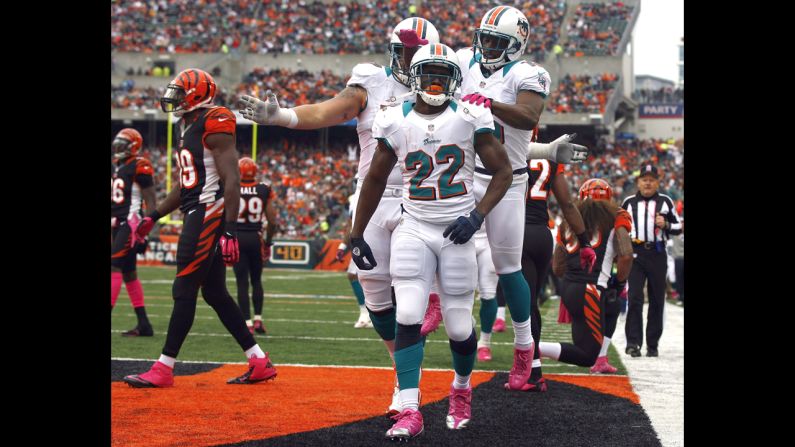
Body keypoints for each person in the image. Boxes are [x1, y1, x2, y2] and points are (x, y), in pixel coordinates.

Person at [238, 17, 443, 415]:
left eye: (414, 51)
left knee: (411, 302)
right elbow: (329, 111)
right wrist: (283, 117)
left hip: (419, 200)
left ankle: (409, 390)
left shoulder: (441, 82)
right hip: (371, 198)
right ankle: (402, 377)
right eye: (401, 50)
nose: (406, 57)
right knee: (378, 302)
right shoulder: (371, 81)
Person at [350, 42, 512, 440]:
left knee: (459, 326)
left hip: (456, 229)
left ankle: (460, 389)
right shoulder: (392, 118)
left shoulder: (471, 115)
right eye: (430, 74)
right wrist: (356, 232)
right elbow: (373, 179)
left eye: (444, 75)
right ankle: (409, 408)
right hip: (415, 226)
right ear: (416, 77)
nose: (437, 83)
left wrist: (476, 215)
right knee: (407, 313)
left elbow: (504, 172)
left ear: (454, 80)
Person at [123, 68, 277, 388]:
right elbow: (186, 184)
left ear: (196, 94)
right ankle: (259, 361)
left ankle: (164, 368)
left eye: (180, 92)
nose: (174, 98)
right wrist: (154, 215)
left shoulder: (215, 119)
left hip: (207, 213)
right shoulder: (187, 124)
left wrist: (230, 228)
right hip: (197, 208)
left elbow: (231, 177)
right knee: (216, 292)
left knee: (183, 289)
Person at [539, 179, 634, 370]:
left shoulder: (568, 219)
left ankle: (602, 359)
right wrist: (620, 282)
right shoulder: (617, 215)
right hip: (590, 288)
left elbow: (557, 266)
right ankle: (531, 349)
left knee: (612, 306)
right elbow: (626, 254)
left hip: (571, 286)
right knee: (585, 354)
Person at [519, 145, 592, 390]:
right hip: (541, 234)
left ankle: (531, 373)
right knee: (532, 304)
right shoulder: (548, 157)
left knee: (525, 306)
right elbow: (568, 205)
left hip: (516, 233)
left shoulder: (508, 148)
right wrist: (584, 242)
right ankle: (535, 369)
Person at [621, 164, 683, 357]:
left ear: (657, 182)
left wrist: (665, 224)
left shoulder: (666, 201)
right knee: (635, 298)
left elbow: (678, 227)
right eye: (644, 179)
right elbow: (620, 228)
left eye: (651, 180)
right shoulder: (628, 202)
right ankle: (633, 343)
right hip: (636, 253)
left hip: (657, 253)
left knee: (657, 299)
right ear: (638, 182)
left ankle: (652, 344)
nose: (648, 183)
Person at [111, 127, 157, 337]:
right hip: (118, 223)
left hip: (130, 223)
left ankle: (144, 324)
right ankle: (144, 324)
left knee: (113, 267)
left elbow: (151, 201)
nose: (118, 148)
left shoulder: (140, 164)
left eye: (123, 144)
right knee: (129, 273)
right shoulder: (121, 166)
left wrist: (145, 232)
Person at [234, 157, 277, 334]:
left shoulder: (231, 186)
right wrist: (267, 242)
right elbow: (272, 221)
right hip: (255, 238)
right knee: (256, 280)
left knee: (242, 283)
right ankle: (258, 320)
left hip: (237, 237)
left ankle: (247, 323)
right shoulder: (263, 189)